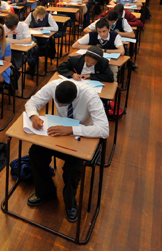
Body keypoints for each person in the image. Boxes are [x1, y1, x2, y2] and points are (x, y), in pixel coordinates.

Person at [24, 79, 109, 222]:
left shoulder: (90, 97)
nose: (59, 106)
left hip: (80, 137)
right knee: (35, 152)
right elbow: (31, 102)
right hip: (57, 133)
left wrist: (71, 129)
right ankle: (45, 192)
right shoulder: (54, 85)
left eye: (64, 105)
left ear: (74, 98)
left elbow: (104, 130)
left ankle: (70, 202)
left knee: (73, 168)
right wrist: (34, 116)